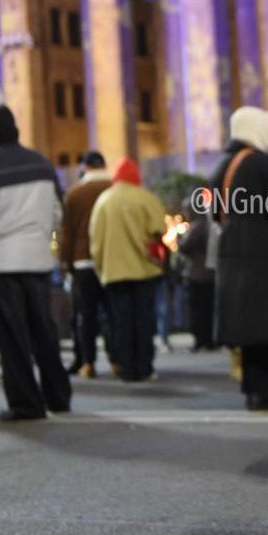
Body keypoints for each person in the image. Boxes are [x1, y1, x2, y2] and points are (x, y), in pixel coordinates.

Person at [0, 104, 70, 421]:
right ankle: (59, 396)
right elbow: (56, 214)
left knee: (13, 336)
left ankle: (26, 403)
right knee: (43, 331)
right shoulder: (43, 164)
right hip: (37, 259)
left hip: (0, 263)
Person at [210, 106, 268, 411]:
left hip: (234, 259)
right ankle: (264, 391)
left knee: (252, 332)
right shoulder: (260, 163)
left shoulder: (224, 164)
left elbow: (211, 209)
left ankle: (255, 389)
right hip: (264, 262)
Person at [89, 158, 166, 383]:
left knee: (121, 321)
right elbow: (159, 231)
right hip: (144, 271)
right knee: (144, 320)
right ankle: (145, 366)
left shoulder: (104, 201)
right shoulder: (146, 198)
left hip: (114, 272)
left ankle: (126, 367)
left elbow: (96, 240)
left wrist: (101, 267)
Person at [58, 150, 112, 377]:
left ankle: (86, 361)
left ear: (85, 167)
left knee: (85, 315)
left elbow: (66, 233)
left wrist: (65, 263)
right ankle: (117, 359)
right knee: (112, 313)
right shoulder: (114, 189)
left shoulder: (74, 194)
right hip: (111, 261)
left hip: (82, 262)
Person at [176, 203, 216, 351]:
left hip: (196, 274)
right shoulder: (210, 226)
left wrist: (179, 239)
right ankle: (209, 339)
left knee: (197, 310)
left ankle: (201, 340)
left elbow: (185, 246)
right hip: (210, 273)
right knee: (208, 309)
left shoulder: (195, 227)